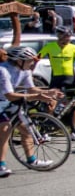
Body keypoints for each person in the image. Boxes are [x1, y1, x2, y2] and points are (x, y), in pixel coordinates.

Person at [0, 46, 62, 174]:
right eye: (29, 60)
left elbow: (31, 89)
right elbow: (9, 95)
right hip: (4, 102)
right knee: (5, 129)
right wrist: (36, 96)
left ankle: (32, 160)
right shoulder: (3, 70)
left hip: (9, 104)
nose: (32, 63)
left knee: (27, 129)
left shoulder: (25, 70)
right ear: (19, 60)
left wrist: (48, 92)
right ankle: (1, 165)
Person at [39, 26, 75, 139]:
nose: (69, 38)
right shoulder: (50, 47)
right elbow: (36, 58)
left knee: (73, 106)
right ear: (59, 36)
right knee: (51, 105)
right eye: (66, 36)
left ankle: (74, 131)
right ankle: (45, 131)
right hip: (56, 79)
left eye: (69, 36)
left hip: (70, 79)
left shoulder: (73, 47)